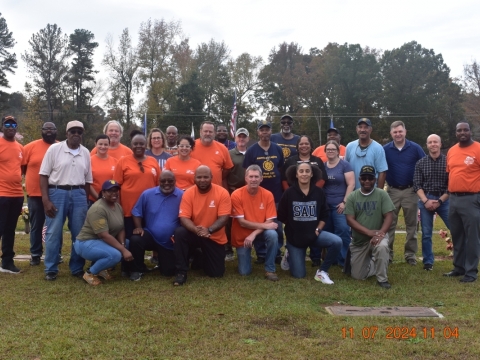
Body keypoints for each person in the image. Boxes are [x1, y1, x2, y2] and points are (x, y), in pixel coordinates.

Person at [40, 120, 93, 280]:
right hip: (57, 193)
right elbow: (43, 175)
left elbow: (88, 180)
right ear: (66, 133)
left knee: (79, 233)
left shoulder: (85, 152)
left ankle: (77, 267)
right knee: (54, 232)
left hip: (78, 194)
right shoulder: (54, 149)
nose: (76, 134)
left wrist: (87, 201)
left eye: (79, 132)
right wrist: (45, 200)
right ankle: (51, 268)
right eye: (73, 131)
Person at [277, 162, 341, 283]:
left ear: (312, 174)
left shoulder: (319, 192)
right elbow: (281, 215)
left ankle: (322, 271)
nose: (304, 174)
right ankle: (289, 253)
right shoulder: (289, 193)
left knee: (337, 241)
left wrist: (318, 230)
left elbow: (324, 214)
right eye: (301, 171)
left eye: (307, 171)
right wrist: (294, 228)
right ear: (296, 174)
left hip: (315, 234)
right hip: (295, 238)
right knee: (299, 275)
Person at [173, 166, 231, 285]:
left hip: (213, 236)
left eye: (206, 177)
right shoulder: (188, 193)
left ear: (211, 178)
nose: (202, 180)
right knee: (180, 233)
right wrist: (196, 230)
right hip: (195, 233)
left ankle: (199, 255)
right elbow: (184, 217)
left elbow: (224, 218)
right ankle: (181, 272)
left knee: (216, 273)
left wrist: (209, 230)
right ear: (194, 178)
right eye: (199, 177)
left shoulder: (222, 192)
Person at [344, 165, 395, 289]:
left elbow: (389, 216)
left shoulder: (382, 194)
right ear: (359, 179)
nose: (367, 181)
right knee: (358, 276)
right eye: (364, 178)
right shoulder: (352, 196)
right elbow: (349, 220)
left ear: (375, 179)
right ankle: (373, 263)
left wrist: (381, 234)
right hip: (359, 241)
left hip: (378, 235)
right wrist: (368, 232)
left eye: (370, 178)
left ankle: (382, 279)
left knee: (382, 246)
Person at [74, 180, 133, 285]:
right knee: (115, 255)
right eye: (110, 191)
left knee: (127, 243)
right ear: (103, 193)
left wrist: (123, 245)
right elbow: (103, 235)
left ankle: (101, 269)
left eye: (116, 190)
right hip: (86, 243)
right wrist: (123, 250)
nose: (114, 193)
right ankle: (89, 273)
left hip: (100, 241)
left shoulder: (118, 206)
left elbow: (121, 228)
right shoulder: (98, 208)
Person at [281, 135, 327, 267]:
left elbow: (322, 178)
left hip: (314, 199)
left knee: (313, 223)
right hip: (294, 199)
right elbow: (284, 179)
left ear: (311, 145)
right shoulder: (291, 161)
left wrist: (312, 192)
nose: (304, 146)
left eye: (307, 143)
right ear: (297, 146)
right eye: (301, 144)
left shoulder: (317, 160)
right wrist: (290, 193)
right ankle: (291, 251)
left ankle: (315, 256)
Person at [384, 121, 425, 265]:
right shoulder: (385, 149)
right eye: (395, 132)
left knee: (411, 225)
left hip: (411, 191)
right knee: (389, 224)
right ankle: (387, 255)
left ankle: (410, 255)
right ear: (391, 133)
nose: (398, 134)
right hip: (392, 191)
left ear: (405, 132)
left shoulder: (415, 148)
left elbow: (424, 166)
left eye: (400, 131)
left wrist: (421, 186)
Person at [128, 171, 183, 281]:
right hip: (150, 236)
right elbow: (137, 212)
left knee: (168, 272)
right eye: (163, 181)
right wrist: (138, 227)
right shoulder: (147, 194)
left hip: (169, 242)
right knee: (135, 239)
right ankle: (137, 270)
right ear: (158, 181)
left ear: (175, 181)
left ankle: (164, 262)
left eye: (170, 181)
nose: (166, 183)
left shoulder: (182, 195)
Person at [243, 120, 285, 263]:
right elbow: (248, 173)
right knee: (259, 222)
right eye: (262, 130)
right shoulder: (252, 150)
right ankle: (261, 253)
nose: (265, 132)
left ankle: (276, 252)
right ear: (258, 132)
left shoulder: (277, 149)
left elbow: (280, 169)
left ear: (271, 131)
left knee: (276, 225)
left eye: (267, 130)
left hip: (276, 194)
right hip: (256, 195)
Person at [444, 122, 480, 283]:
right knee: (457, 235)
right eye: (459, 130)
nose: (462, 132)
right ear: (456, 133)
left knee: (472, 237)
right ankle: (459, 267)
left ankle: (471, 271)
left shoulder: (478, 149)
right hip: (454, 199)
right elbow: (450, 173)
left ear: (470, 131)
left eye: (466, 130)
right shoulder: (452, 151)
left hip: (471, 199)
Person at [231, 165, 279, 281]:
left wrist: (254, 234)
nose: (253, 179)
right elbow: (242, 222)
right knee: (244, 272)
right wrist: (265, 226)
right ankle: (246, 259)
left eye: (256, 177)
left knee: (272, 235)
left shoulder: (268, 194)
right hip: (243, 234)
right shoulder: (236, 194)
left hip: (259, 233)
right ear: (246, 178)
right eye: (251, 176)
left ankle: (270, 269)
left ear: (261, 179)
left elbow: (270, 220)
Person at [21, 121, 57, 266]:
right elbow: (22, 167)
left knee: (54, 226)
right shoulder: (30, 147)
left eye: (52, 128)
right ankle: (35, 254)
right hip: (35, 194)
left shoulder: (61, 146)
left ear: (56, 131)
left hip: (55, 193)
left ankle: (55, 253)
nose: (49, 131)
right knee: (36, 225)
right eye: (46, 128)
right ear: (41, 130)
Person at [413, 134, 450, 271]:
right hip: (426, 199)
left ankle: (460, 258)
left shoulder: (448, 162)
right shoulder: (421, 163)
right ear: (427, 145)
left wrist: (440, 201)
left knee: (455, 229)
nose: (433, 144)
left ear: (440, 144)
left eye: (435, 142)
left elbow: (451, 185)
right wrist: (426, 201)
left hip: (444, 200)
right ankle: (428, 262)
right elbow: (417, 185)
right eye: (430, 142)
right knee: (426, 233)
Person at [113, 134, 160, 239]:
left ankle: (156, 256)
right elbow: (116, 187)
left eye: (141, 144)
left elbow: (158, 186)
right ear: (131, 145)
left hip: (149, 209)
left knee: (151, 237)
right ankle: (129, 255)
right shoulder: (123, 161)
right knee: (130, 238)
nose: (138, 146)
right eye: (135, 144)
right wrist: (118, 207)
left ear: (146, 145)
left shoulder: (153, 161)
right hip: (128, 210)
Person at [323, 140, 355, 267]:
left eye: (333, 149)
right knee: (328, 232)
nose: (330, 151)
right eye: (328, 149)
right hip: (326, 206)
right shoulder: (323, 166)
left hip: (340, 206)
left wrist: (344, 202)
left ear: (338, 151)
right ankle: (332, 259)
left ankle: (343, 260)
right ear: (325, 151)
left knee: (342, 231)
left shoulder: (345, 165)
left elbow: (351, 184)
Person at [0, 115, 24, 274]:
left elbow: (22, 169)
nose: (10, 127)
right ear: (2, 126)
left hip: (17, 194)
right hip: (1, 194)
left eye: (13, 124)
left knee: (10, 229)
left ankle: (7, 262)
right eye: (7, 124)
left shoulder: (20, 147)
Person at [225, 127, 250, 261]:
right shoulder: (229, 153)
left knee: (248, 219)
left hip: (249, 192)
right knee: (229, 220)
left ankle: (247, 246)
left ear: (248, 139)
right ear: (235, 139)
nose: (241, 139)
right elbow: (225, 173)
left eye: (244, 136)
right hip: (232, 191)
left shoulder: (252, 153)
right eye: (239, 137)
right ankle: (228, 248)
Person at [345, 118, 388, 189]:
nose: (362, 130)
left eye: (366, 127)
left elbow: (382, 173)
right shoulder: (350, 146)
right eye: (360, 127)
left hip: (372, 193)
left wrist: (379, 193)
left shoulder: (378, 148)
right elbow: (345, 170)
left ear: (370, 130)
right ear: (356, 129)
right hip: (353, 193)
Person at [190, 121, 234, 187]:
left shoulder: (222, 148)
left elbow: (227, 168)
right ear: (200, 131)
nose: (208, 134)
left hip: (215, 190)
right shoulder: (191, 146)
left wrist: (217, 176)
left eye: (210, 132)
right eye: (205, 131)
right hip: (194, 189)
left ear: (214, 133)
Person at [89, 134, 118, 206]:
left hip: (111, 201)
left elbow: (117, 182)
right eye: (100, 144)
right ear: (95, 144)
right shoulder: (89, 161)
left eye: (105, 144)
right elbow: (88, 183)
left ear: (109, 145)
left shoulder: (116, 162)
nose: (103, 147)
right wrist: (99, 198)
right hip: (93, 201)